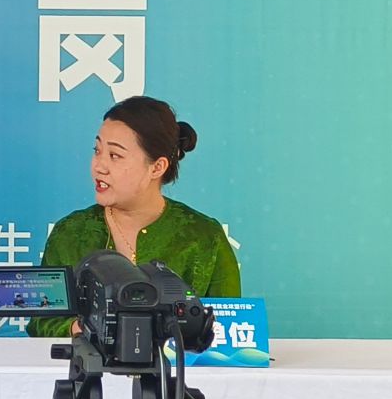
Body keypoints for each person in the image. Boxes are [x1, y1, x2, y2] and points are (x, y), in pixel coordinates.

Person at [30, 95, 239, 338]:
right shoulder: (70, 233)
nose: (99, 166)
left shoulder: (204, 237)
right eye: (97, 151)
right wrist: (81, 329)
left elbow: (230, 325)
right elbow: (41, 321)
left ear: (157, 167)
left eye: (115, 155)